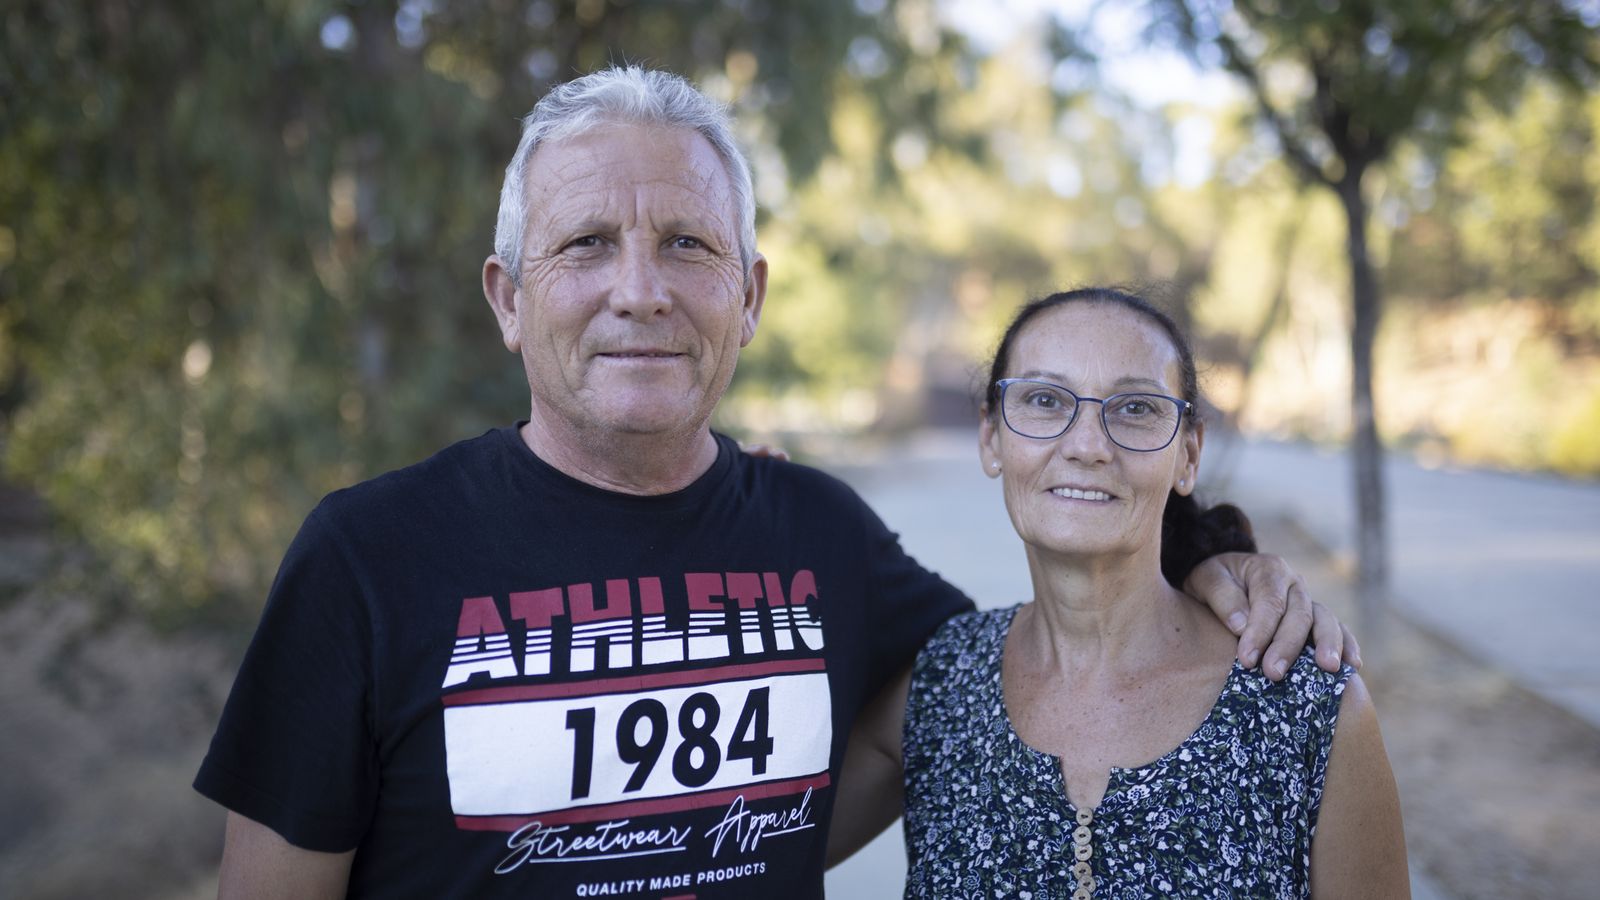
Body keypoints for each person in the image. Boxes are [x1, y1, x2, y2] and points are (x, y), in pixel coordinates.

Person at [193, 69, 1357, 899]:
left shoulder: (820, 534)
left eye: (689, 246)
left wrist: (1206, 561)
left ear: (749, 297)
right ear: (507, 297)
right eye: (586, 243)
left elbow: (1032, 667)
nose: (640, 290)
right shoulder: (366, 556)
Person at [831, 288, 1407, 898]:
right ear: (991, 437)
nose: (1087, 445)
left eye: (1134, 408)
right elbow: (748, 850)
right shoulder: (942, 682)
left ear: (1188, 454)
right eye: (1045, 400)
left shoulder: (1306, 705)